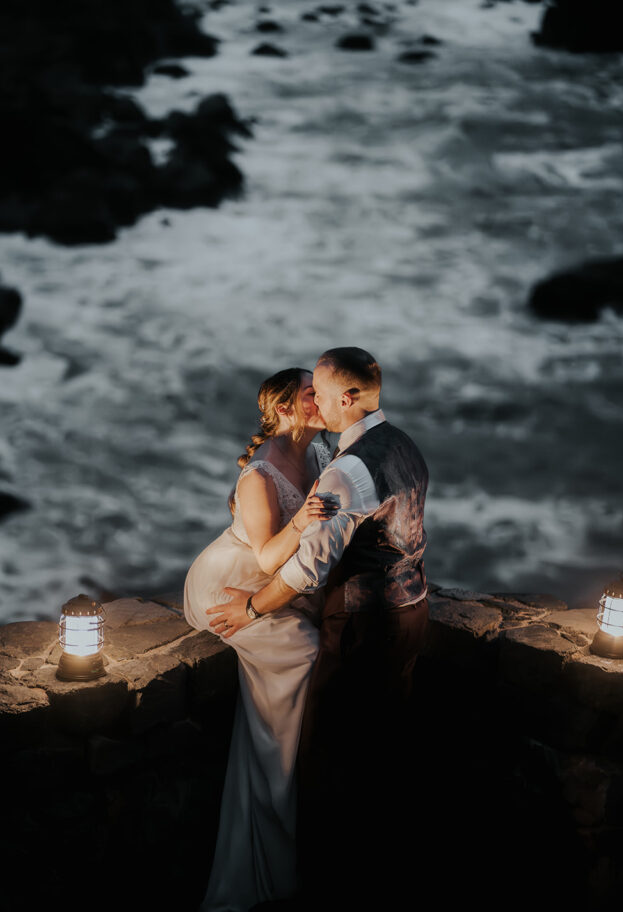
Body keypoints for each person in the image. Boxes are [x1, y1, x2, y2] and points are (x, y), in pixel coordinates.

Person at [208, 347, 430, 909]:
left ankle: (335, 888)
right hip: (413, 611)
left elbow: (307, 569)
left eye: (323, 395)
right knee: (382, 751)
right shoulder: (403, 444)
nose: (318, 405)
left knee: (334, 762)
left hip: (363, 625)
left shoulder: (345, 470)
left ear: (348, 398)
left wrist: (252, 609)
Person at [183, 367, 338, 912]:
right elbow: (270, 555)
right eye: (311, 394)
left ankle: (275, 814)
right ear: (284, 409)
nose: (322, 400)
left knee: (316, 648)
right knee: (308, 652)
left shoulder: (319, 453)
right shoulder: (259, 474)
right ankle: (280, 800)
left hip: (269, 587)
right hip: (228, 587)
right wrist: (304, 519)